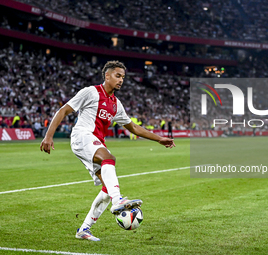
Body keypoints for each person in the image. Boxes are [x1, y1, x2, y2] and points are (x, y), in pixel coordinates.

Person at [40, 60, 175, 242]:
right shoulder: (91, 92)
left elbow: (133, 128)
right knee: (109, 158)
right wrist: (48, 136)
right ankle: (118, 200)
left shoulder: (116, 104)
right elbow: (64, 110)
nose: (121, 80)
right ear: (107, 76)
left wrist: (160, 139)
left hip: (94, 142)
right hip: (82, 136)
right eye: (118, 76)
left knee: (106, 189)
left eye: (123, 77)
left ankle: (84, 228)